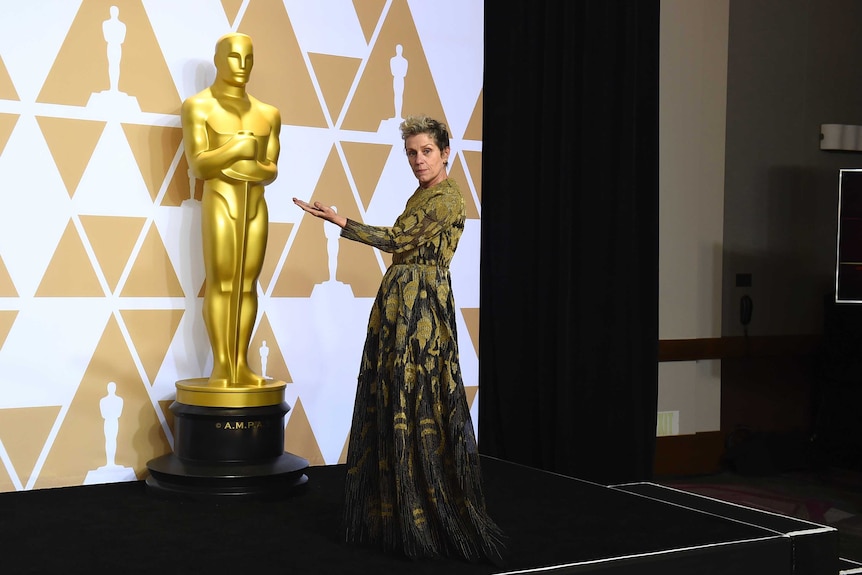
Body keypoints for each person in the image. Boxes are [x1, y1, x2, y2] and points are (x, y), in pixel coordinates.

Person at [293, 116, 504, 563]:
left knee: (418, 401)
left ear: (446, 152)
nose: (418, 160)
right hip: (399, 305)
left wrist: (341, 220)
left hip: (422, 310)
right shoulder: (423, 193)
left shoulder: (447, 200)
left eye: (425, 151)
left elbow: (398, 240)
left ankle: (429, 516)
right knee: (393, 399)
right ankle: (392, 517)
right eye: (411, 153)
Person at [182, 33, 280, 387]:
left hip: (255, 203)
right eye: (235, 57)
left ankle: (241, 363)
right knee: (222, 283)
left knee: (248, 285)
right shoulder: (199, 107)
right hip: (221, 201)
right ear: (219, 60)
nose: (242, 66)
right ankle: (223, 366)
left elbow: (270, 170)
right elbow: (200, 166)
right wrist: (238, 149)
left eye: (248, 58)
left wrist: (233, 162)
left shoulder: (268, 113)